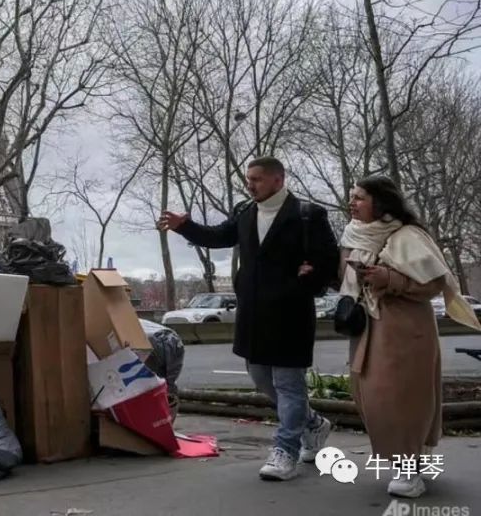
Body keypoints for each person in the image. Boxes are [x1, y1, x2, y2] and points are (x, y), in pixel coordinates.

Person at [158, 156, 340, 481]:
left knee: (288, 383)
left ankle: (286, 451)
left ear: (277, 181)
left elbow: (328, 261)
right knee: (260, 378)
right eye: (248, 179)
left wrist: (307, 281)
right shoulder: (245, 211)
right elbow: (219, 237)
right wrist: (184, 225)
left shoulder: (307, 215)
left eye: (256, 179)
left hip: (290, 312)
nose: (250, 184)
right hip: (253, 313)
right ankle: (312, 423)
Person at [340, 175, 472, 499]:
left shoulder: (408, 235)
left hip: (403, 331)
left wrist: (389, 278)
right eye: (352, 197)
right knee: (370, 398)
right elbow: (343, 280)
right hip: (366, 329)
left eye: (359, 197)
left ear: (380, 202)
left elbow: (434, 284)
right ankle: (411, 460)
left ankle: (409, 468)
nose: (351, 203)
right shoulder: (353, 235)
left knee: (400, 400)